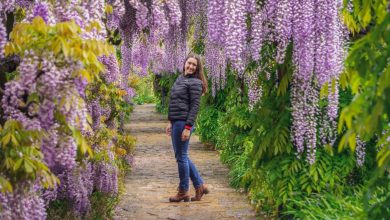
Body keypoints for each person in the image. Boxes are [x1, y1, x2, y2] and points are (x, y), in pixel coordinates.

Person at [165, 54, 209, 202]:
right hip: (176, 121)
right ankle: (199, 186)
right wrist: (170, 121)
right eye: (189, 63)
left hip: (184, 123)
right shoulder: (180, 79)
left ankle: (183, 191)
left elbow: (195, 107)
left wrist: (188, 127)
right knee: (182, 156)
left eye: (194, 65)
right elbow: (174, 101)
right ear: (184, 63)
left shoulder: (195, 83)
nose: (190, 67)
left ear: (197, 68)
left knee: (181, 157)